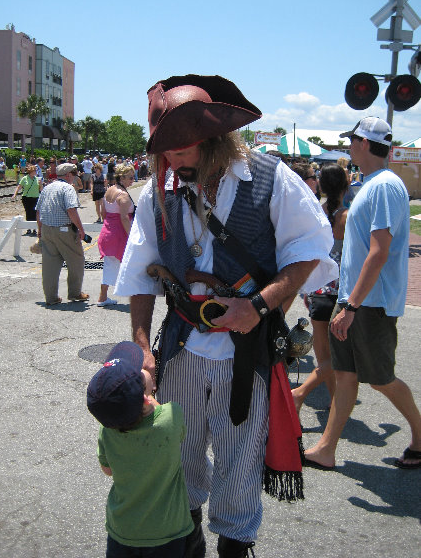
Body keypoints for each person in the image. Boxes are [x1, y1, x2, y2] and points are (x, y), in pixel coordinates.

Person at [114, 75, 338, 557]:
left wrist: (259, 305)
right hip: (181, 349)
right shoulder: (159, 191)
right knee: (183, 462)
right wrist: (140, 348)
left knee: (239, 467)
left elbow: (312, 248)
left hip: (246, 357)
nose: (172, 157)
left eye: (181, 146)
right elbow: (138, 276)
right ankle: (188, 544)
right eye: (165, 148)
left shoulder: (269, 177)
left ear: (213, 135)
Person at [305, 117, 421, 471]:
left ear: (364, 144)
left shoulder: (384, 186)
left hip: (368, 303)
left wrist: (352, 304)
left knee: (381, 378)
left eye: (352, 141)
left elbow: (379, 251)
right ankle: (326, 448)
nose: (348, 147)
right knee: (345, 375)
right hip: (354, 299)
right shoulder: (371, 184)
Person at [87, 341, 193, 558]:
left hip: (123, 530)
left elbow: (107, 469)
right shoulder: (171, 417)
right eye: (139, 372)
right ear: (146, 398)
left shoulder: (107, 430)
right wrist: (151, 395)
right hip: (168, 531)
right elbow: (175, 427)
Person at [291, 164, 349, 414]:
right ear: (345, 186)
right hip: (340, 294)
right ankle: (301, 393)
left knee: (324, 353)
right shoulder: (347, 216)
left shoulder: (316, 212)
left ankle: (335, 401)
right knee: (339, 357)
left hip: (317, 290)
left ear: (322, 186)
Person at [35, 163, 90, 306]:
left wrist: (40, 230)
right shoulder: (68, 188)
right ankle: (75, 292)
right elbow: (71, 210)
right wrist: (81, 229)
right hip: (64, 230)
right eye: (74, 175)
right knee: (76, 260)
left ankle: (51, 297)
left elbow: (38, 211)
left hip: (47, 228)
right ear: (68, 175)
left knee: (49, 265)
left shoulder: (47, 188)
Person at [97, 165, 135, 307]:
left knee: (109, 265)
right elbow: (124, 218)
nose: (133, 180)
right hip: (120, 234)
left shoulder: (109, 190)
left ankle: (103, 296)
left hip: (108, 231)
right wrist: (131, 236)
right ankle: (134, 296)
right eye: (130, 177)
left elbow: (103, 213)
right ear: (122, 177)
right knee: (130, 264)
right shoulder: (123, 195)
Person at [11, 164, 43, 236]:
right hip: (26, 198)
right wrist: (15, 194)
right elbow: (19, 187)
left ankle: (34, 229)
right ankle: (28, 229)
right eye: (34, 170)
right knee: (28, 213)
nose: (35, 172)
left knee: (34, 213)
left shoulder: (37, 179)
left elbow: (41, 190)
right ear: (31, 171)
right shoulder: (25, 178)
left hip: (35, 198)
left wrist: (41, 184)